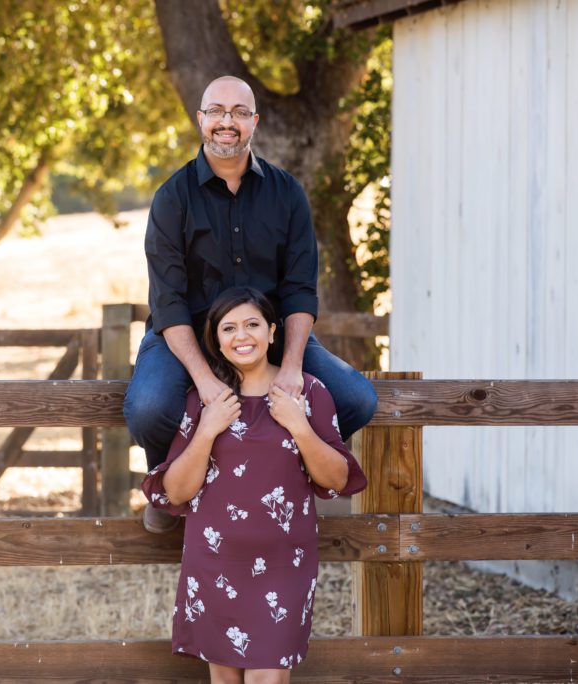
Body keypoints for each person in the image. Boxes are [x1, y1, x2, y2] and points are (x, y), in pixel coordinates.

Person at [123, 75, 377, 533]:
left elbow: (300, 289)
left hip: (269, 335)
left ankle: (283, 477)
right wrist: (204, 379)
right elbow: (168, 301)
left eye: (239, 112)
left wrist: (292, 367)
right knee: (148, 407)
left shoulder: (287, 194)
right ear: (200, 119)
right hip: (188, 335)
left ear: (254, 122)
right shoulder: (172, 198)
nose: (227, 121)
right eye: (216, 111)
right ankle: (170, 488)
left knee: (356, 398)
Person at [142, 286, 367, 682]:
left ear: (272, 331)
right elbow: (176, 492)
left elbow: (337, 478)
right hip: (215, 564)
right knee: (225, 679)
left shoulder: (307, 391)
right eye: (228, 328)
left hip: (284, 565)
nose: (241, 336)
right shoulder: (203, 399)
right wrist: (207, 431)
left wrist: (299, 425)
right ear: (216, 340)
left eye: (252, 325)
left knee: (268, 677)